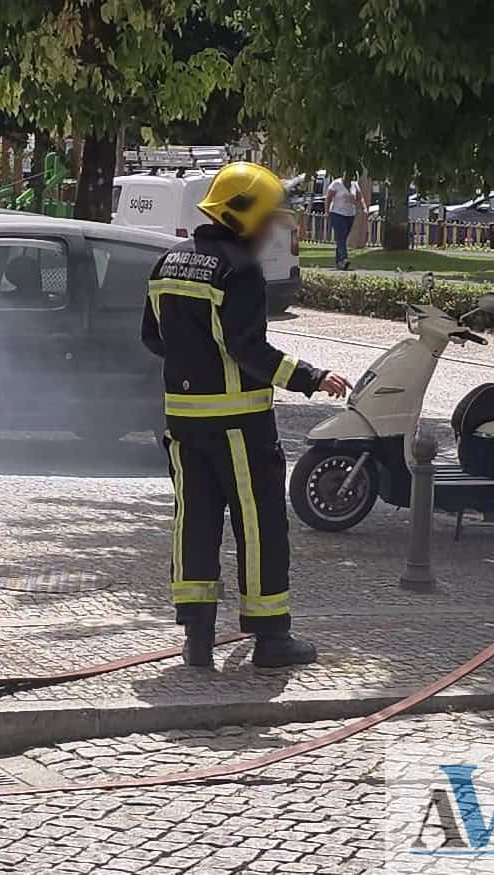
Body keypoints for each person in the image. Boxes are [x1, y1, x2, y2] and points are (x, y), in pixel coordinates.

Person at [141, 161, 351, 669]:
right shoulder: (240, 269)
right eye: (269, 218)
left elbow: (152, 338)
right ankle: (271, 638)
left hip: (183, 421)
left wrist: (192, 363)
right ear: (247, 217)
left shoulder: (168, 262)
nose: (272, 228)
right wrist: (310, 376)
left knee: (194, 521)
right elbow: (248, 348)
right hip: (239, 424)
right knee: (259, 526)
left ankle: (196, 638)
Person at [324, 173, 364, 271]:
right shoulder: (336, 184)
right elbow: (328, 197)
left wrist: (363, 207)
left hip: (350, 214)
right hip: (337, 213)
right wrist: (327, 211)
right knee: (340, 236)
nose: (349, 179)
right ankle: (344, 258)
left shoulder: (355, 185)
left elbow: (360, 197)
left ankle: (339, 262)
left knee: (342, 238)